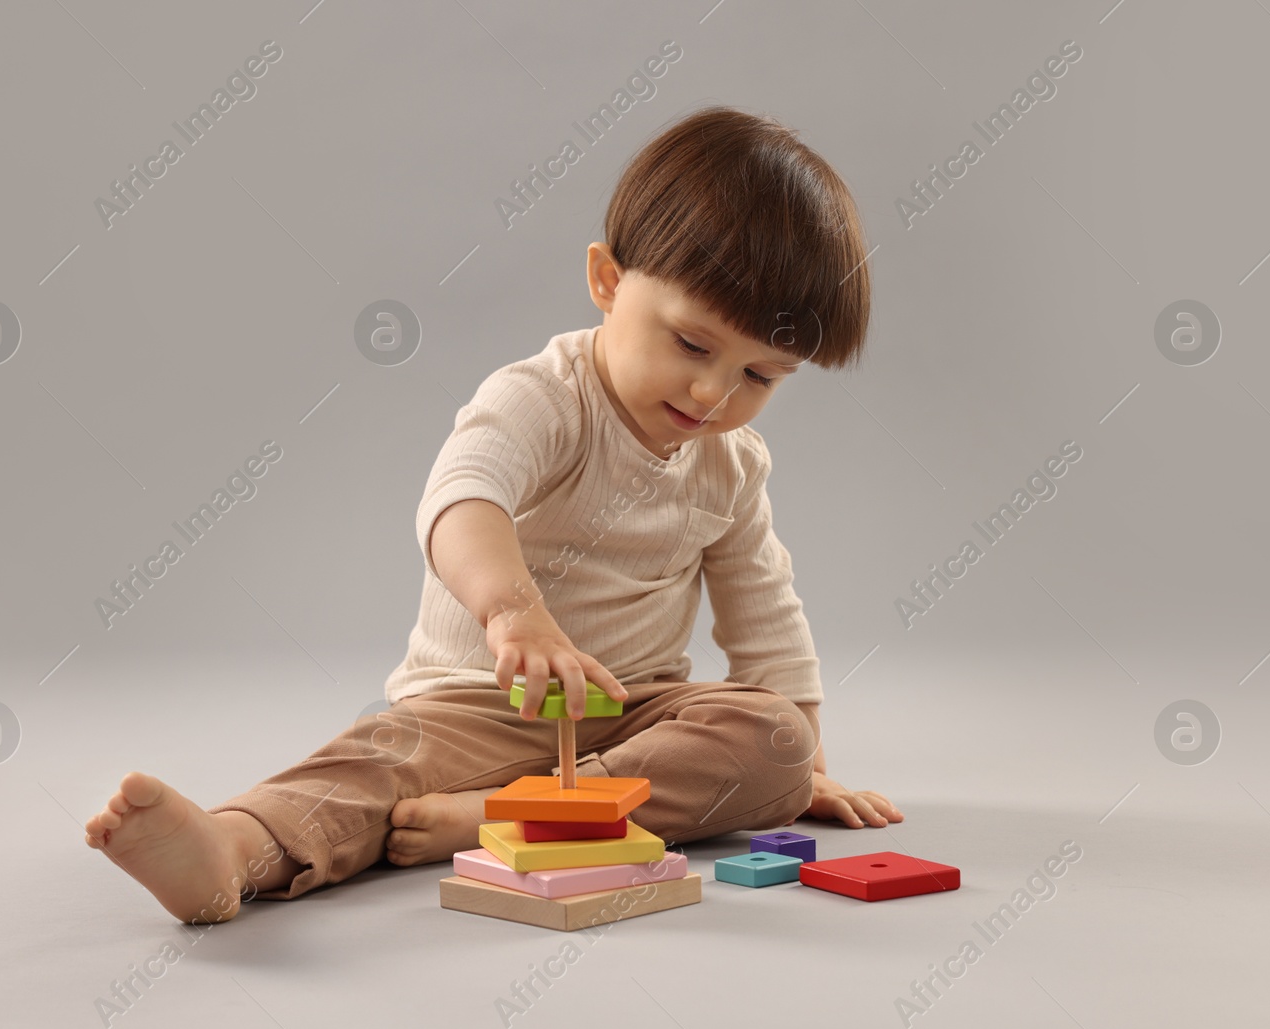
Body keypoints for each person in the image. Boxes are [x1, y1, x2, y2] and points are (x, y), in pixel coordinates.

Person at [84, 104, 901, 925]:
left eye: (759, 376)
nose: (711, 393)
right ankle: (230, 850)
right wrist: (514, 612)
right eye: (691, 345)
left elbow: (769, 624)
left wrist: (805, 769)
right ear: (608, 282)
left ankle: (507, 813)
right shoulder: (545, 398)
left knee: (772, 737)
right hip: (477, 702)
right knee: (377, 764)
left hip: (639, 716)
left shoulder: (732, 465)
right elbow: (462, 495)